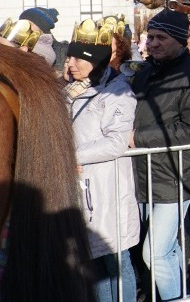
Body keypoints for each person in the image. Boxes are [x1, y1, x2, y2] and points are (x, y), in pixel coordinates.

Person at [130, 10, 190, 301]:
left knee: (154, 253)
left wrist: (137, 139)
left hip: (175, 175)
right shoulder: (148, 71)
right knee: (168, 250)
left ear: (178, 40)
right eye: (150, 36)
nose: (151, 43)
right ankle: (182, 294)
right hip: (149, 173)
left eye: (160, 38)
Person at [65, 18, 140, 302]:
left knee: (116, 263)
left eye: (77, 58)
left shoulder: (117, 92)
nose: (70, 63)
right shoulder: (73, 90)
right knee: (94, 264)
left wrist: (71, 156)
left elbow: (116, 141)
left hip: (108, 192)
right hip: (83, 189)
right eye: (69, 56)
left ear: (94, 61)